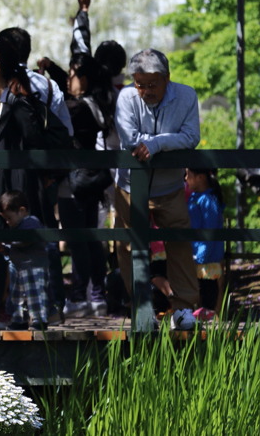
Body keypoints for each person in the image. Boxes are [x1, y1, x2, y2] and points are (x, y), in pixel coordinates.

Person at [0, 36, 70, 327]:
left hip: (20, 185)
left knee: (31, 244)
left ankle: (45, 307)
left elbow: (35, 141)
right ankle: (3, 309)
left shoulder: (18, 101)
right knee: (1, 246)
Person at [114, 48, 201, 331]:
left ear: (167, 79)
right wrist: (159, 142)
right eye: (140, 84)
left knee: (179, 243)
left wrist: (156, 144)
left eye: (152, 84)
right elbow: (129, 139)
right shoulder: (127, 97)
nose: (145, 90)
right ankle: (143, 308)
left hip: (170, 186)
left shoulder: (186, 96)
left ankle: (184, 309)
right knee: (128, 246)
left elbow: (191, 137)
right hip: (129, 185)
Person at [58, 52, 114, 318]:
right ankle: (96, 295)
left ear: (85, 78)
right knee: (90, 238)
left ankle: (81, 296)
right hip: (92, 180)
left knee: (78, 239)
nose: (68, 79)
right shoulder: (95, 103)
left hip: (75, 181)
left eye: (72, 74)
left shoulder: (77, 108)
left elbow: (59, 108)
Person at [0, 190, 50, 330]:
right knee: (17, 296)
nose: (7, 222)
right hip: (18, 267)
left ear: (22, 211)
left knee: (35, 294)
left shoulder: (31, 222)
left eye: (9, 218)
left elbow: (25, 241)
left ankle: (39, 319)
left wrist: (8, 243)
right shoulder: (16, 226)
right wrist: (5, 249)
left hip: (34, 266)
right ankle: (19, 319)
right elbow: (16, 246)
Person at [186, 168, 224, 320]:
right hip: (196, 253)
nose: (185, 178)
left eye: (189, 175)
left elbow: (210, 229)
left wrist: (202, 254)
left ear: (200, 177)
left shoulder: (208, 200)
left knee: (207, 287)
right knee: (199, 288)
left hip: (205, 256)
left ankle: (209, 313)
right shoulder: (196, 198)